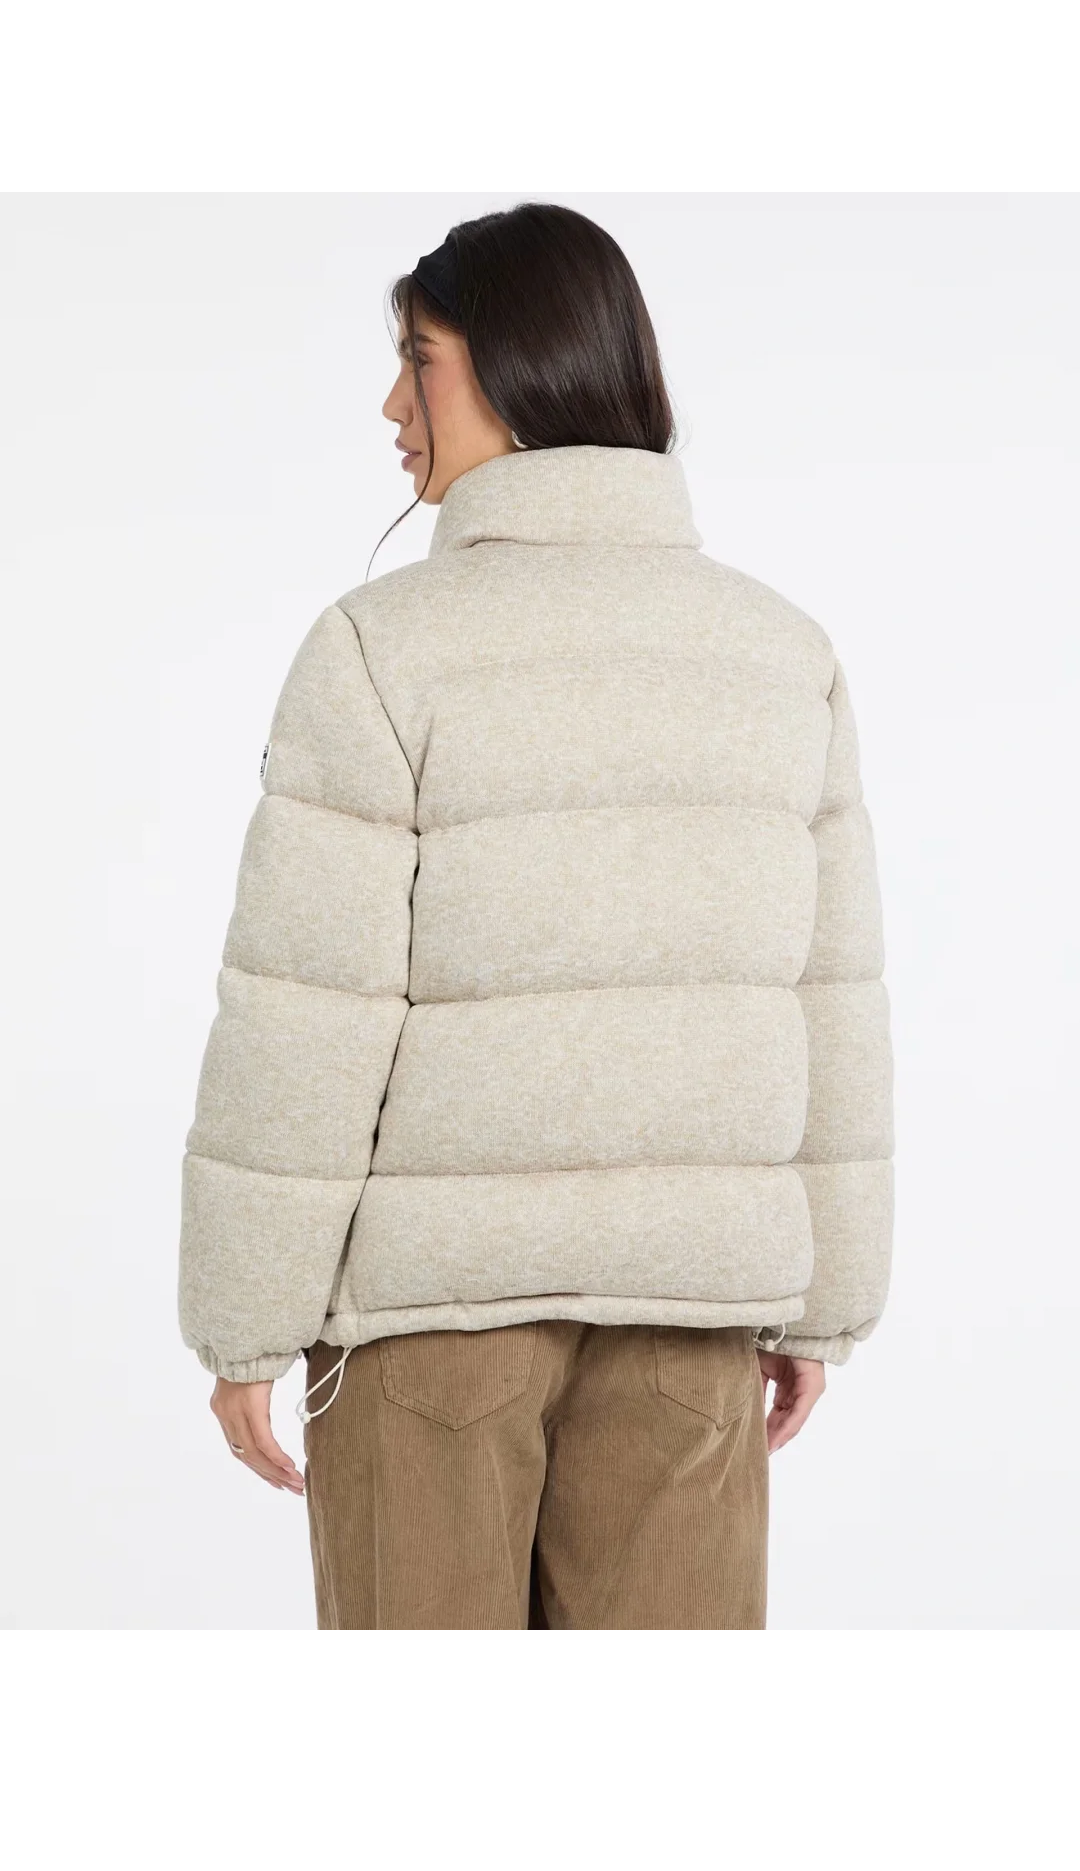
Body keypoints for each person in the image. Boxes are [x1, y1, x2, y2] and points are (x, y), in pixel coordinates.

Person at [178, 201, 894, 1631]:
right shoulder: (780, 653)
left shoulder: (380, 650)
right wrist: (829, 1298)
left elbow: (307, 1016)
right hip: (689, 1321)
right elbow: (832, 1003)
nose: (393, 407)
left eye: (418, 360)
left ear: (519, 367)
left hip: (427, 1335)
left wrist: (244, 1322)